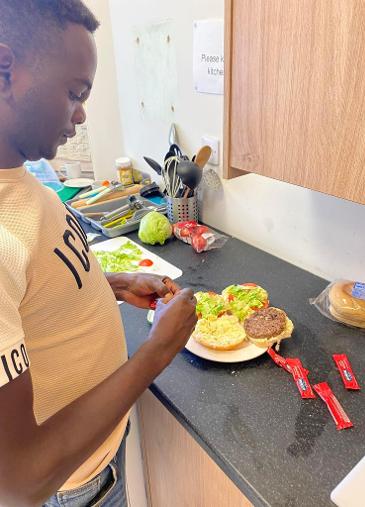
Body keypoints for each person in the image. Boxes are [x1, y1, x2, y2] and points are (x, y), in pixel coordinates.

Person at [0, 1, 197, 506]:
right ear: (5, 70)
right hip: (77, 488)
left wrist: (107, 284)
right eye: (74, 93)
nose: (82, 113)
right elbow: (19, 481)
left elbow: (29, 298)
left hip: (99, 453)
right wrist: (157, 351)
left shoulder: (18, 177)